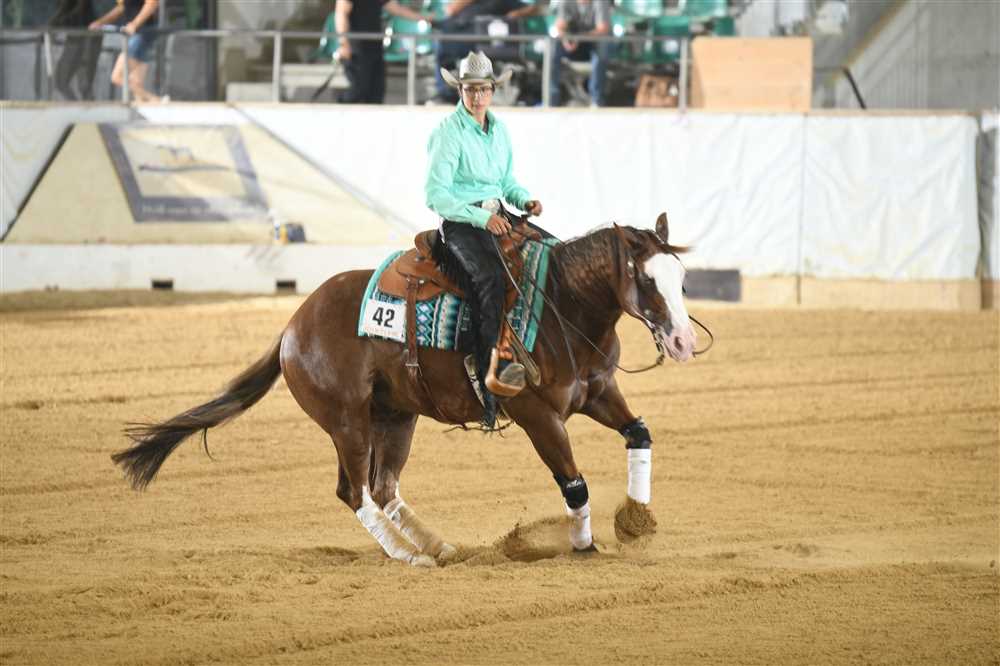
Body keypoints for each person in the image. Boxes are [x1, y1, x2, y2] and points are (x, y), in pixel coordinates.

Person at [425, 51, 544, 428]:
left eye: (483, 90)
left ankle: (536, 350)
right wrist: (481, 217)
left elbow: (506, 181)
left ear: (493, 91)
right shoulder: (448, 132)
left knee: (550, 255)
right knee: (490, 280)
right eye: (470, 90)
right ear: (460, 91)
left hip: (497, 216)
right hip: (461, 222)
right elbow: (436, 195)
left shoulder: (499, 130)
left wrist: (523, 199)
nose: (477, 96)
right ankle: (486, 369)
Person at [428, 0, 543, 105]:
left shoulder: (500, 2)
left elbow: (535, 8)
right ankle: (446, 94)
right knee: (441, 46)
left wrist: (516, 14)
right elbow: (451, 10)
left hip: (488, 45)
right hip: (460, 37)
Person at [334, 0, 432, 104]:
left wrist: (424, 18)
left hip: (375, 46)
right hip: (356, 47)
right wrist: (344, 43)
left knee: (377, 92)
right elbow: (341, 14)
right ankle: (339, 108)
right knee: (358, 89)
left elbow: (397, 9)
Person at [88, 0, 164, 103]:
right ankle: (151, 103)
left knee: (118, 76)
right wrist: (101, 22)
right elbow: (122, 7)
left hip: (143, 33)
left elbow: (152, 3)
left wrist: (134, 24)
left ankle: (156, 100)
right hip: (137, 33)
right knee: (136, 83)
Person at [550, 0, 612, 107]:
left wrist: (579, 38)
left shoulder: (600, 2)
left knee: (602, 46)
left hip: (593, 42)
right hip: (573, 43)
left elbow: (603, 29)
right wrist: (566, 39)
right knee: (552, 47)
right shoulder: (566, 2)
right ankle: (551, 100)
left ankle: (596, 100)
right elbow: (560, 26)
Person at [50, 0, 100, 101]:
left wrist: (58, 23)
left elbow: (76, 9)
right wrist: (52, 26)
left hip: (87, 36)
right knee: (61, 81)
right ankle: (78, 108)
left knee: (84, 84)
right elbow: (63, 10)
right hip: (76, 36)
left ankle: (86, 109)